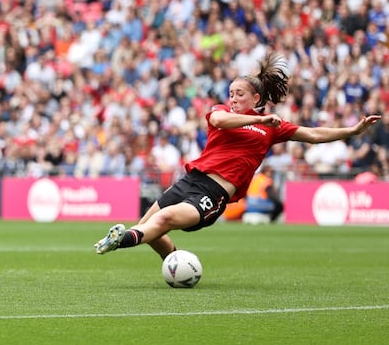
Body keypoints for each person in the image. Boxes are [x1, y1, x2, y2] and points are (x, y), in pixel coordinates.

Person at [94, 53, 381, 260]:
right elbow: (218, 121)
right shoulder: (224, 112)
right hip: (190, 180)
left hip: (214, 192)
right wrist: (256, 121)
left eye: (239, 93)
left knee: (164, 218)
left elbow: (315, 134)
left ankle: (121, 241)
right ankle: (177, 264)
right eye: (231, 93)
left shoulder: (270, 127)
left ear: (256, 98)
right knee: (148, 225)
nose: (232, 98)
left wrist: (353, 130)